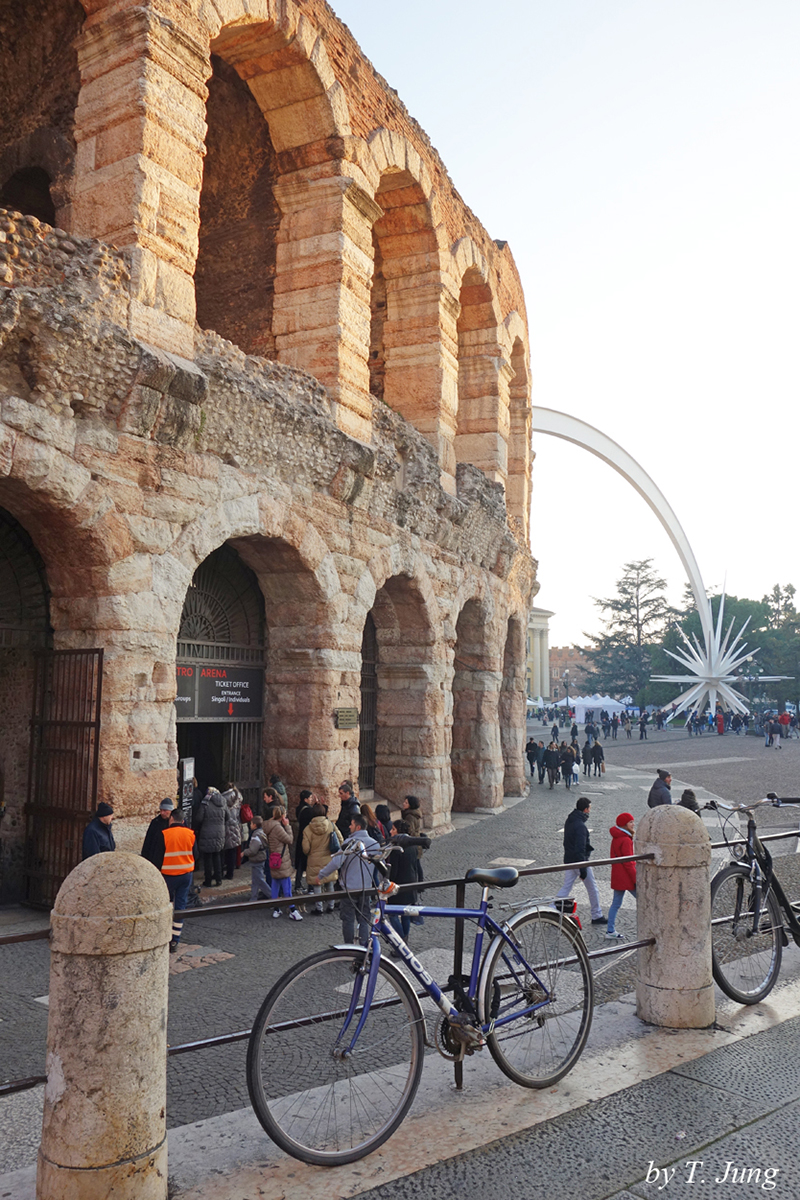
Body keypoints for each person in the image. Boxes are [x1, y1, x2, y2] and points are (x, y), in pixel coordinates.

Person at [319, 812, 380, 945]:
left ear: (358, 827)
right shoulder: (375, 844)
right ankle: (363, 946)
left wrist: (321, 874)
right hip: (366, 887)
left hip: (349, 889)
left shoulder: (349, 843)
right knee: (364, 919)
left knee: (348, 919)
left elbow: (336, 863)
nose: (349, 826)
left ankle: (349, 947)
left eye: (352, 824)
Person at [556, 797, 604, 924]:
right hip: (579, 861)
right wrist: (583, 868)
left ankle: (552, 911)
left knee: (566, 887)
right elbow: (580, 848)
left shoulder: (570, 820)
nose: (590, 811)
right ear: (585, 809)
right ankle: (596, 915)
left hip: (569, 860)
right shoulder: (581, 826)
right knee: (593, 888)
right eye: (589, 808)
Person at [160, 808, 196, 952]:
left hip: (168, 874)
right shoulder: (190, 834)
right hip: (186, 873)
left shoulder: (165, 834)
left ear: (171, 819)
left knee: (166, 904)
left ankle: (164, 934)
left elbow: (159, 855)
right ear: (183, 820)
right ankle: (175, 939)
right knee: (180, 905)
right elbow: (196, 853)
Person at [385, 818, 419, 952]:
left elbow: (394, 871)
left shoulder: (397, 848)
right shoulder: (412, 846)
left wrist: (388, 889)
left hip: (398, 885)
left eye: (393, 829)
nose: (390, 831)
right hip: (410, 882)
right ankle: (405, 941)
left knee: (393, 914)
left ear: (398, 831)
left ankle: (401, 942)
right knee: (405, 913)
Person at [264, 804, 303, 920]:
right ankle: (292, 909)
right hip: (281, 860)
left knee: (275, 884)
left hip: (273, 858)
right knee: (286, 885)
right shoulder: (277, 828)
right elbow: (289, 839)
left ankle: (276, 908)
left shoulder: (269, 825)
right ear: (282, 816)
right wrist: (288, 826)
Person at [301, 802, 338, 913]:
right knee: (329, 883)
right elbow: (340, 840)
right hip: (328, 858)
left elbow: (305, 849)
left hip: (314, 860)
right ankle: (331, 906)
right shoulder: (331, 825)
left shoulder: (307, 829)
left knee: (317, 884)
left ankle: (319, 908)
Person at [605, 813, 636, 940]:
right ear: (624, 824)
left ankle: (610, 930)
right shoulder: (626, 839)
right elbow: (629, 863)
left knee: (616, 903)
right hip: (627, 877)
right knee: (645, 900)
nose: (633, 824)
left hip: (618, 876)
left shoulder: (617, 837)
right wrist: (636, 879)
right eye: (631, 822)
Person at [194, 785, 231, 887]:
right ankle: (219, 879)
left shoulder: (205, 802)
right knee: (217, 856)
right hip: (220, 832)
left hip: (207, 832)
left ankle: (208, 880)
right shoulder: (223, 802)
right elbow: (228, 816)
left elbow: (199, 818)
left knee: (208, 858)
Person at [244, 815, 272, 902]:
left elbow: (253, 850)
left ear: (254, 825)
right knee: (255, 880)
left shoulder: (256, 835)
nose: (250, 825)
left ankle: (272, 896)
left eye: (251, 823)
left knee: (259, 879)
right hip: (260, 857)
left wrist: (244, 852)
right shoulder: (262, 832)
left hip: (257, 859)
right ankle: (254, 897)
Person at [140, 798, 174, 869]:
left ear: (171, 811)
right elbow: (148, 840)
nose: (162, 813)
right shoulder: (155, 822)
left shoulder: (176, 823)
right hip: (156, 857)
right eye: (161, 810)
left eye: (165, 810)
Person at [294, 790, 315, 893]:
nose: (311, 799)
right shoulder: (308, 810)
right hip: (307, 838)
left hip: (301, 837)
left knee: (300, 864)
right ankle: (310, 886)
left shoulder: (299, 808)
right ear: (305, 799)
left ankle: (297, 884)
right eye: (310, 797)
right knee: (309, 863)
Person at [221, 783, 242, 880]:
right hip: (236, 824)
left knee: (223, 850)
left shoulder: (223, 798)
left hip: (226, 825)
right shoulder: (238, 796)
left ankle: (222, 872)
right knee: (233, 850)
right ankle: (230, 872)